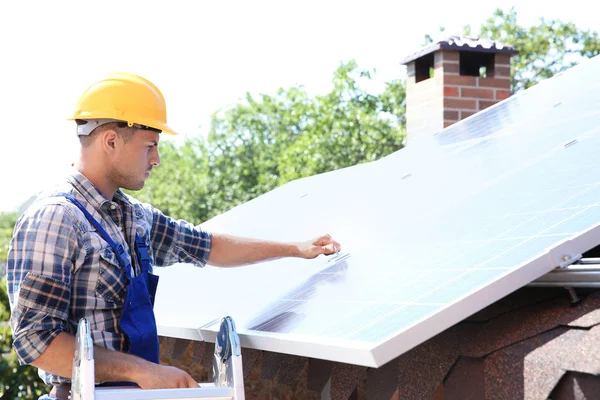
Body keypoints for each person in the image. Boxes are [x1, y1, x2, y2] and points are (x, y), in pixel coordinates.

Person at [6, 72, 341, 400]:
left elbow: (209, 247)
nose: (157, 159)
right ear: (110, 141)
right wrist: (142, 371)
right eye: (150, 146)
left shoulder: (133, 217)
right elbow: (36, 341)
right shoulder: (56, 218)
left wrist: (296, 248)